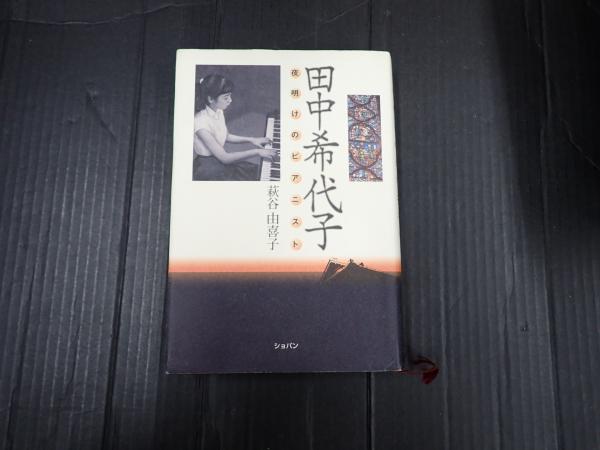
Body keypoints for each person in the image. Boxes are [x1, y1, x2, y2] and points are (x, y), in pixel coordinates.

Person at [193, 74, 275, 181]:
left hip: (219, 160)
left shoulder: (218, 110)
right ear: (211, 99)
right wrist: (257, 152)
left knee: (255, 173)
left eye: (230, 96)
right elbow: (225, 158)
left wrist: (252, 140)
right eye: (226, 97)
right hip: (208, 169)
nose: (230, 100)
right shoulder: (200, 123)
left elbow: (226, 136)